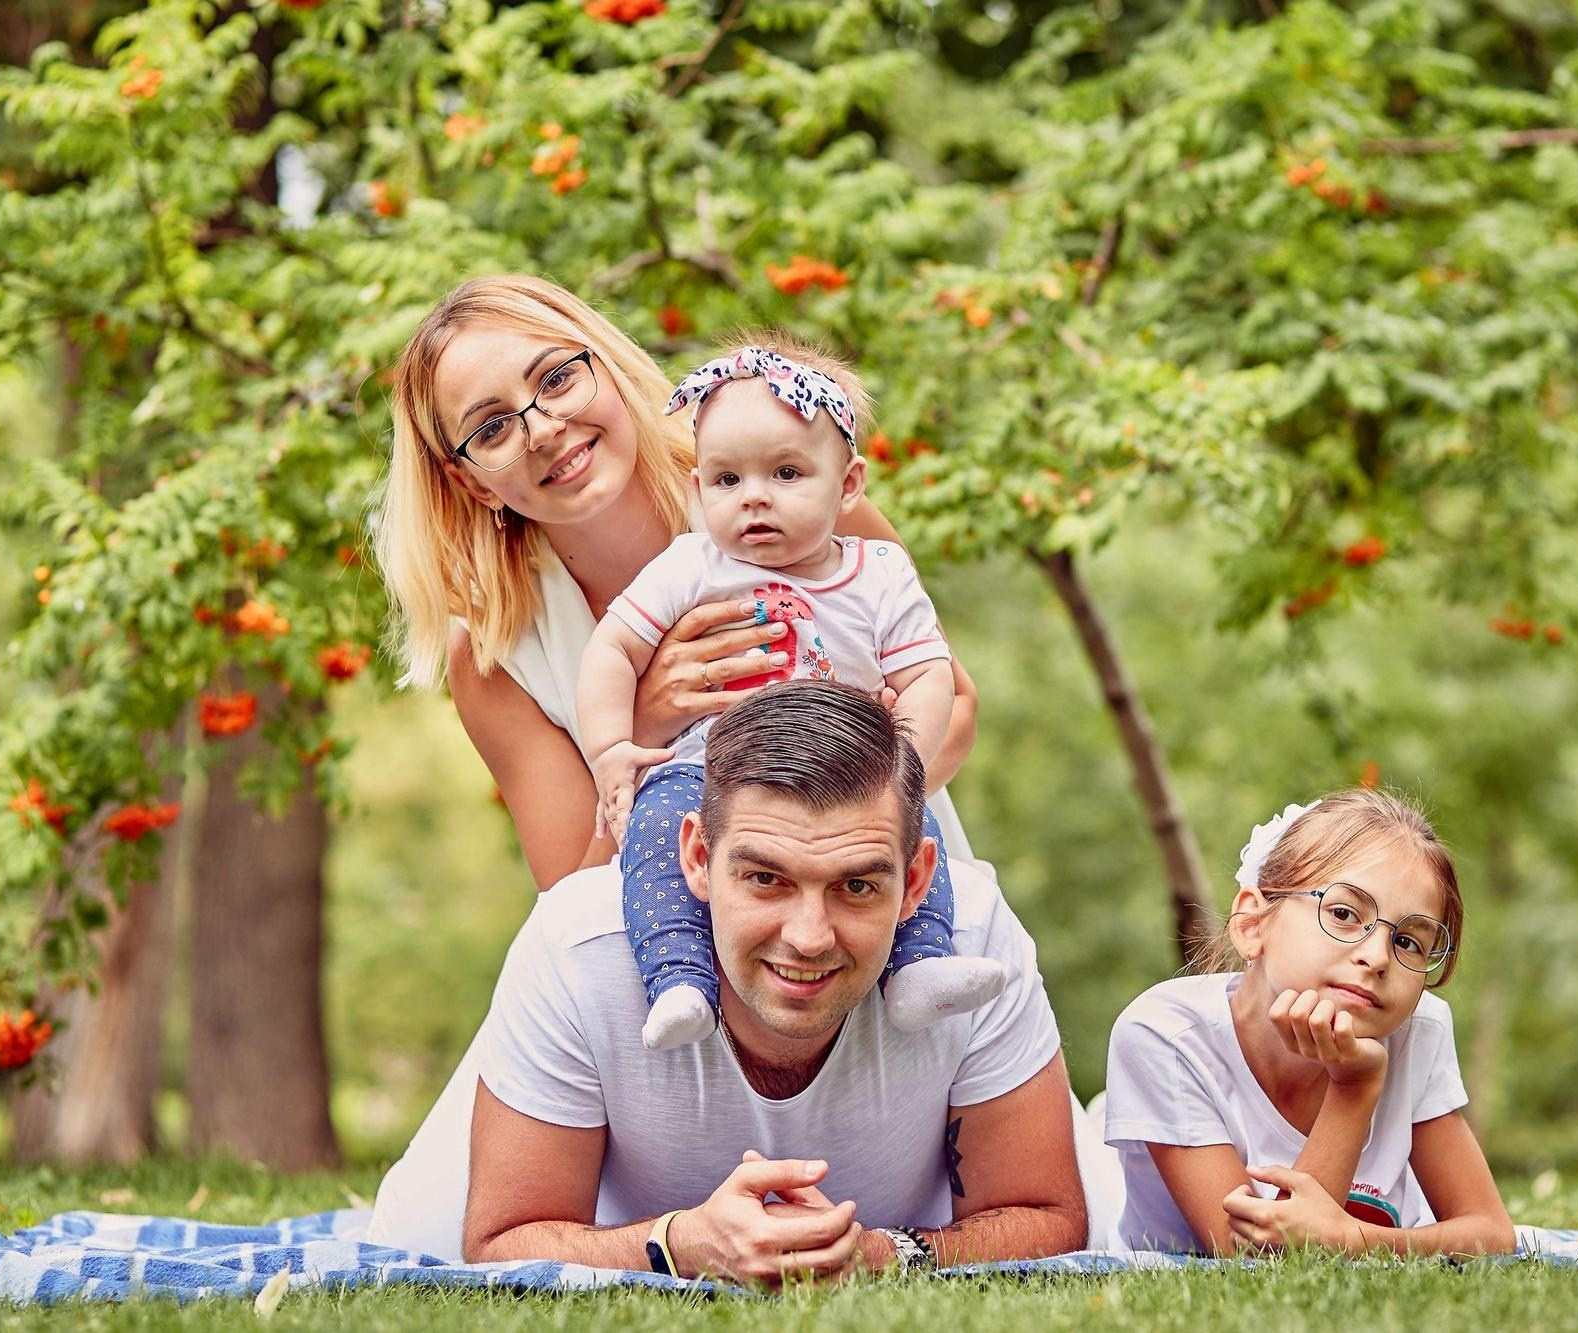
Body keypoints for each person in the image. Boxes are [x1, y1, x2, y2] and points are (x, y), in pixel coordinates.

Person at [377, 682, 1086, 1277]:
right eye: (765, 878)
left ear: (917, 881)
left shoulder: (972, 945)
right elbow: (502, 1241)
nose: (809, 935)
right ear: (695, 857)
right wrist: (681, 1244)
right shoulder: (580, 944)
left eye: (857, 886)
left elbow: (1047, 1215)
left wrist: (877, 1254)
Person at [375, 275, 982, 895]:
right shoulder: (495, 657)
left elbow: (954, 705)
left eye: (556, 379)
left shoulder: (784, 492)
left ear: (605, 367)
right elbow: (573, 904)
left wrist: (831, 842)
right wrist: (642, 727)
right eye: (492, 428)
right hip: (703, 973)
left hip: (893, 910)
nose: (545, 429)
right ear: (473, 481)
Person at [577, 334, 1004, 1050]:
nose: (755, 499)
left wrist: (903, 762)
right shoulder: (692, 565)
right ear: (696, 490)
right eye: (727, 480)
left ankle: (920, 967)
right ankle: (679, 976)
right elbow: (613, 648)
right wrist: (612, 746)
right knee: (659, 830)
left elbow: (928, 675)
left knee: (909, 831)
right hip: (708, 769)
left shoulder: (880, 574)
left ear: (848, 486)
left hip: (849, 774)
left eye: (785, 472)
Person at [1102, 789, 1515, 1257]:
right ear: (1252, 924)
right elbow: (1261, 1261)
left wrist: (1354, 1241)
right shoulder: (1165, 1035)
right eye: (1343, 914)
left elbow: (1493, 1233)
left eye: (1409, 942)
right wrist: (1354, 1087)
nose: (1378, 956)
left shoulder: (1418, 1030)